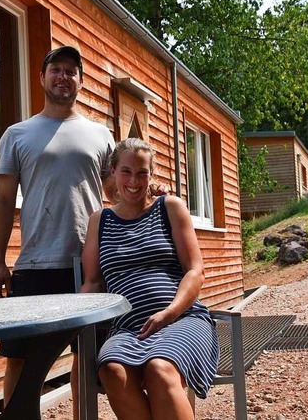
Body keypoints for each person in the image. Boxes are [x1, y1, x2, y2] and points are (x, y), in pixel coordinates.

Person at [0, 45, 116, 416]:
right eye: (56, 70)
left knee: (85, 356)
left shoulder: (100, 134)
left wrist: (148, 191)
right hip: (34, 265)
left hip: (88, 266)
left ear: (80, 80)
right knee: (20, 359)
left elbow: (114, 193)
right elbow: (2, 200)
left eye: (71, 71)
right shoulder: (18, 134)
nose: (63, 77)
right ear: (42, 78)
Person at [80, 138, 219, 420]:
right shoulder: (100, 220)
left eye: (142, 172)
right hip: (128, 327)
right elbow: (93, 283)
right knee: (111, 371)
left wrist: (169, 313)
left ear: (151, 174)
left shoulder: (169, 207)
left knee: (159, 368)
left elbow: (195, 271)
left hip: (182, 318)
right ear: (114, 172)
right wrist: (73, 320)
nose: (134, 181)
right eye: (126, 171)